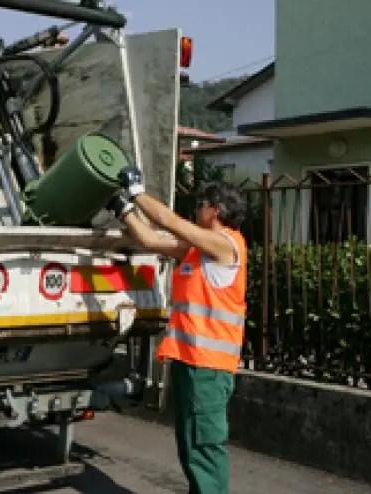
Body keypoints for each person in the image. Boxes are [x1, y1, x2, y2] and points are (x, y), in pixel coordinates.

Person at [112, 166, 247, 494]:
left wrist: (137, 192)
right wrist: (123, 210)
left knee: (205, 447)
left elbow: (169, 222)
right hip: (190, 364)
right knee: (190, 444)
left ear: (217, 209)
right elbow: (150, 239)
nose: (196, 208)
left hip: (210, 370)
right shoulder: (195, 251)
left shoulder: (226, 245)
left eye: (201, 203)